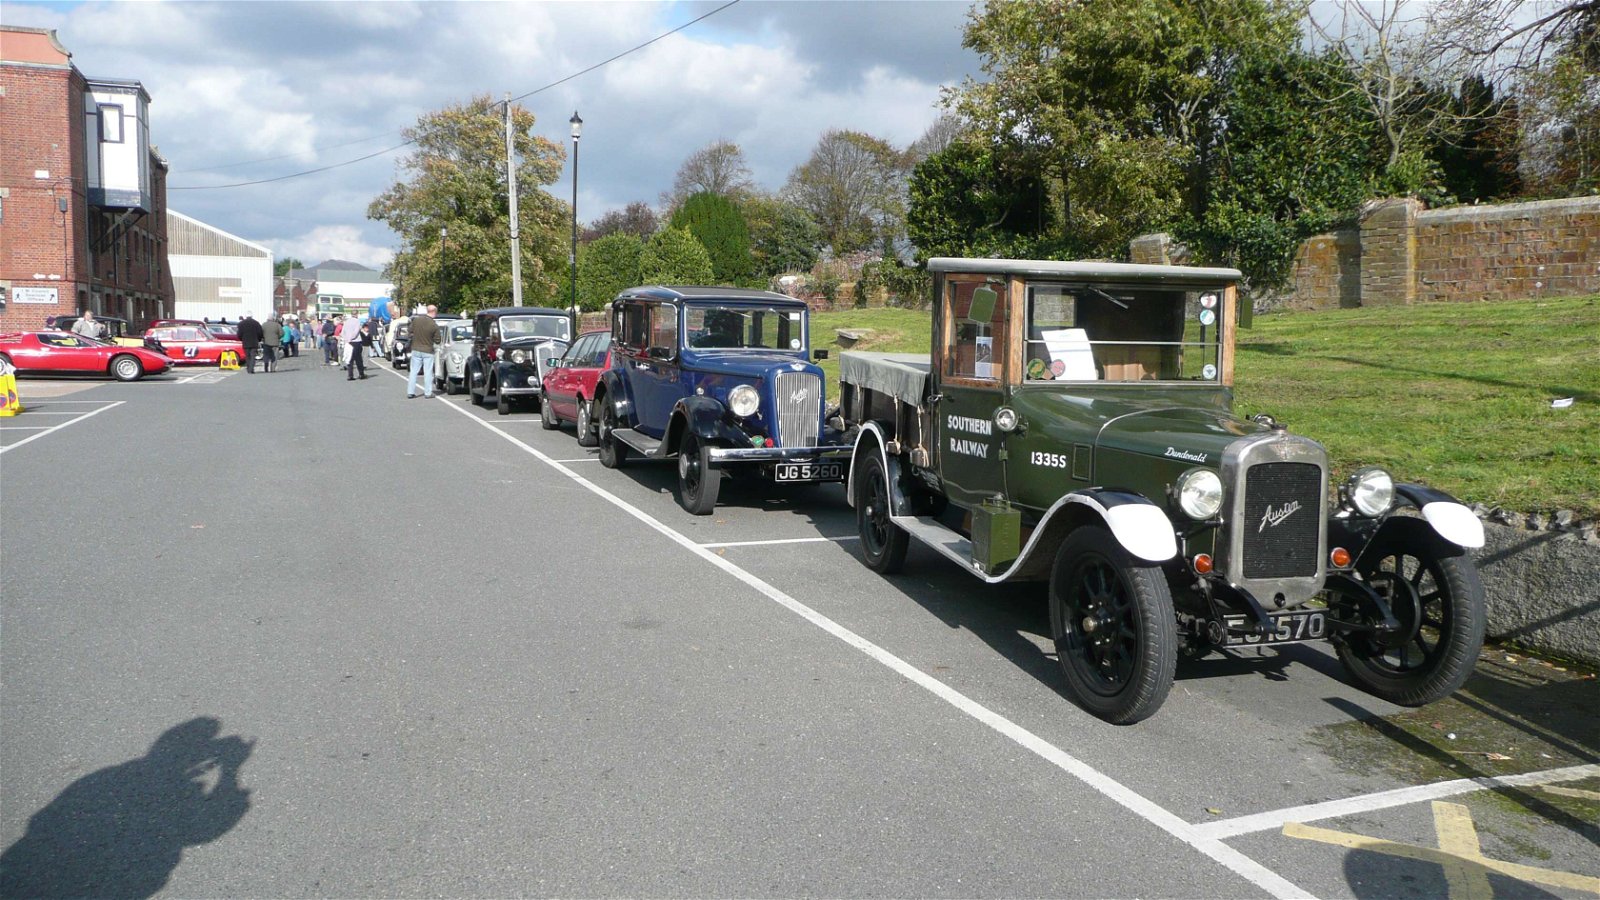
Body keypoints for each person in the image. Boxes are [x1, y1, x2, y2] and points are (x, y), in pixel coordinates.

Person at [407, 304, 440, 399]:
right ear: (434, 312)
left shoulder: (416, 320)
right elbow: (438, 340)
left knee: (413, 371)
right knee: (428, 372)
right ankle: (428, 392)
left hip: (416, 349)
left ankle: (410, 392)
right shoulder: (434, 325)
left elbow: (410, 331)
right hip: (428, 350)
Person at [343, 315, 369, 380]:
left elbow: (343, 332)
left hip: (348, 342)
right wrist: (352, 337)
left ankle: (350, 375)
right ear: (356, 315)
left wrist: (347, 339)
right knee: (358, 359)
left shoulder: (346, 322)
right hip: (356, 342)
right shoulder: (357, 321)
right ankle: (361, 374)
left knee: (349, 359)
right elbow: (356, 331)